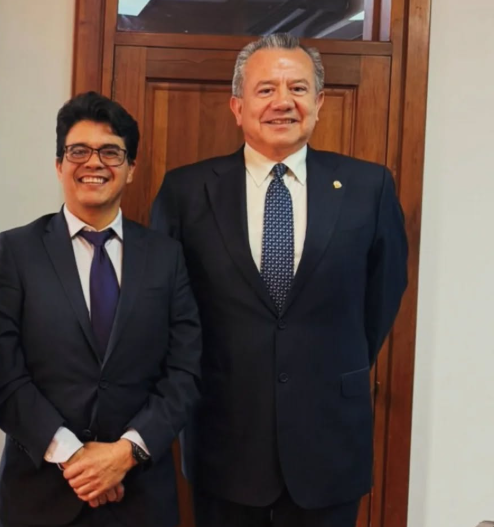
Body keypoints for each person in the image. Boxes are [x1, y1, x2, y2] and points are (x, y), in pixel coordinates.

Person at [151, 34, 409, 527]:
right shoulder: (185, 192)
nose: (283, 102)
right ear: (237, 105)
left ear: (319, 103)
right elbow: (167, 312)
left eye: (298, 88)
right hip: (224, 439)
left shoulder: (367, 187)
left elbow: (381, 298)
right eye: (266, 89)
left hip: (330, 442)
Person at [0, 91, 202, 527]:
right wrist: (75, 458)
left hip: (140, 496)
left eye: (111, 153)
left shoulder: (166, 256)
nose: (94, 163)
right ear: (59, 164)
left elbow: (186, 371)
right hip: (39, 495)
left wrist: (125, 453)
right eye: (78, 151)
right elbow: (2, 373)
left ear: (131, 169)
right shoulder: (18, 251)